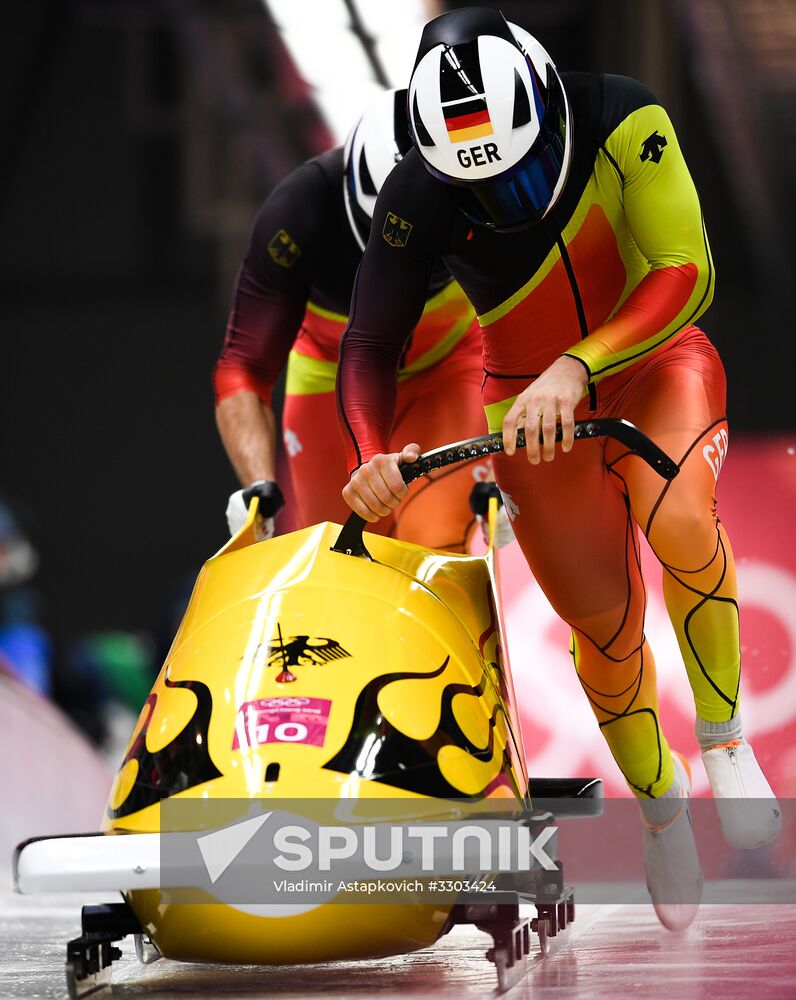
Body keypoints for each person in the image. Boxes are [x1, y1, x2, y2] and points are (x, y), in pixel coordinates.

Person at [337, 7, 780, 929]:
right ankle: (661, 805)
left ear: (547, 105)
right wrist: (373, 451)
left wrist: (577, 366)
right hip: (527, 408)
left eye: (524, 173)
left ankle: (725, 732)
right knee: (605, 629)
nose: (509, 199)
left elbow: (683, 267)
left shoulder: (626, 118)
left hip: (654, 362)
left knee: (682, 520)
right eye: (483, 192)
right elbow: (369, 344)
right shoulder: (417, 192)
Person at [214, 88, 503, 552]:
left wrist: (521, 473)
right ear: (350, 191)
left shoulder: (484, 196)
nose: (395, 257)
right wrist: (258, 483)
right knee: (335, 553)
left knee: (434, 543)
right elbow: (243, 368)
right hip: (330, 378)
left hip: (446, 369)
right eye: (384, 232)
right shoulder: (297, 215)